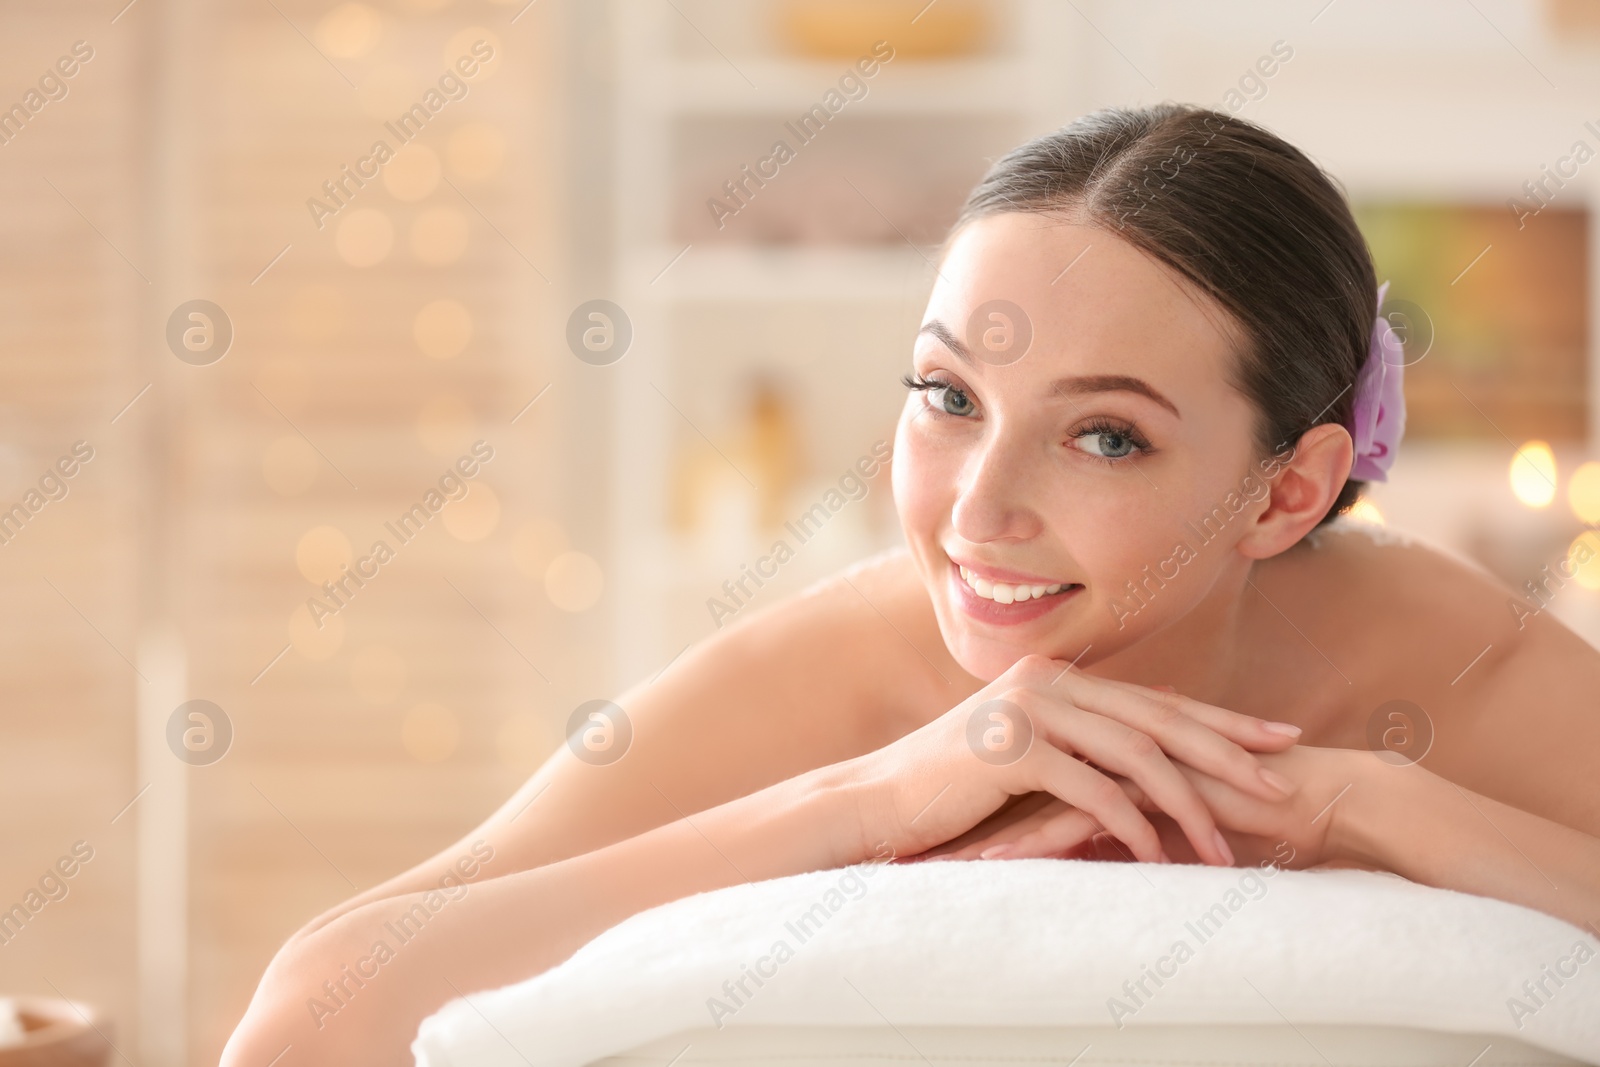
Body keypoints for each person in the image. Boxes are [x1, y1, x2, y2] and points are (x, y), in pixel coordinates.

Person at [222, 102, 1600, 1064]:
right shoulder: (832, 670)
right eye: (948, 396)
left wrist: (1359, 799)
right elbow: (300, 1029)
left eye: (1105, 435)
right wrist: (863, 802)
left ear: (1288, 490)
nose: (974, 511)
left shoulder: (1443, 659)